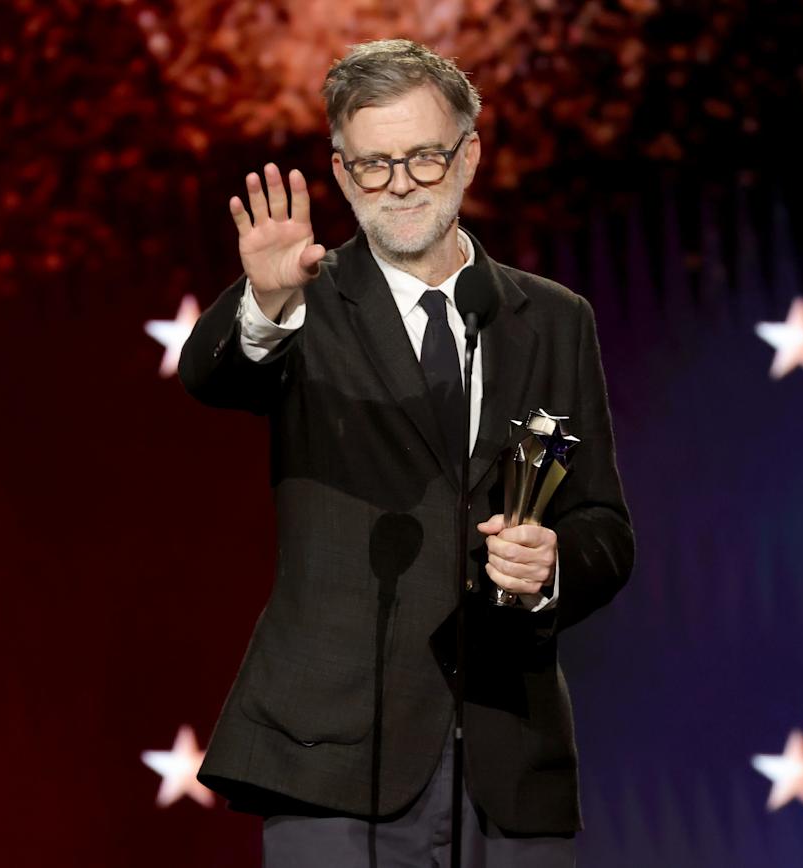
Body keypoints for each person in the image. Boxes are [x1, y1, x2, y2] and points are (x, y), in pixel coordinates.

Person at [179, 38, 634, 868]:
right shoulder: (304, 299)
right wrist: (264, 301)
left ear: (469, 156)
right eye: (374, 164)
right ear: (343, 173)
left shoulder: (552, 318)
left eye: (423, 157)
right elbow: (212, 376)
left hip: (508, 754)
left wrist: (553, 563)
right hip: (335, 756)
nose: (399, 184)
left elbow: (604, 522)